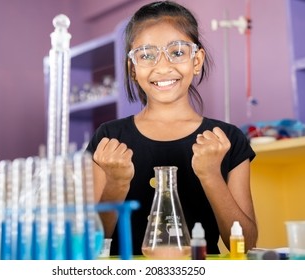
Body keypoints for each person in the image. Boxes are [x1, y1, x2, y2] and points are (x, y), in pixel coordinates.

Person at [86, 0, 258, 257]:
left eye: (177, 52)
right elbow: (91, 242)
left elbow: (247, 242)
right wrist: (116, 183)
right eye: (146, 55)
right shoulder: (109, 139)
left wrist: (211, 175)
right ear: (133, 68)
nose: (163, 67)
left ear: (196, 60)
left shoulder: (227, 139)